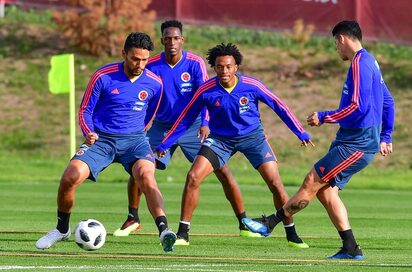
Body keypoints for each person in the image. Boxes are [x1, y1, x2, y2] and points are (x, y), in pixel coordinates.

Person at [242, 20, 395, 260]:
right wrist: (385, 136)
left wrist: (323, 117)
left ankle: (269, 224)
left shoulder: (359, 64)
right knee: (326, 193)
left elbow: (357, 106)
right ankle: (351, 248)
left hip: (356, 144)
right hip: (354, 141)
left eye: (336, 43)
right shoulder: (370, 61)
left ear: (342, 39)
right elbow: (388, 101)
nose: (337, 49)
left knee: (311, 182)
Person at [155, 42, 313, 248]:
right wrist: (165, 143)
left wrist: (299, 131)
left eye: (228, 66)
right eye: (219, 67)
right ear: (214, 67)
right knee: (193, 176)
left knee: (275, 183)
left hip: (253, 138)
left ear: (236, 67)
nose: (224, 71)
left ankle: (291, 233)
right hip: (220, 140)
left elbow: (279, 106)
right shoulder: (206, 90)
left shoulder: (252, 85)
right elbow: (185, 118)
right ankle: (183, 233)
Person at [113, 20, 257, 242]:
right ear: (162, 41)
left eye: (176, 38)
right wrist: (143, 122)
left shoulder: (195, 63)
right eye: (167, 38)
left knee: (223, 172)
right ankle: (133, 217)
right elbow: (144, 95)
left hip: (193, 127)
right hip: (162, 127)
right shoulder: (150, 64)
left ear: (182, 40)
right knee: (139, 166)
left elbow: (206, 94)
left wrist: (205, 122)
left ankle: (244, 221)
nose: (172, 42)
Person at [35, 32, 177, 252]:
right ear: (124, 54)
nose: (140, 64)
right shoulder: (103, 76)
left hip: (135, 142)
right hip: (102, 140)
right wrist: (88, 132)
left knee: (147, 177)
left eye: (144, 60)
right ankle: (62, 230)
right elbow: (85, 110)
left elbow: (151, 113)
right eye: (135, 59)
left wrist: (139, 131)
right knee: (69, 177)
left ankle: (164, 231)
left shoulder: (155, 83)